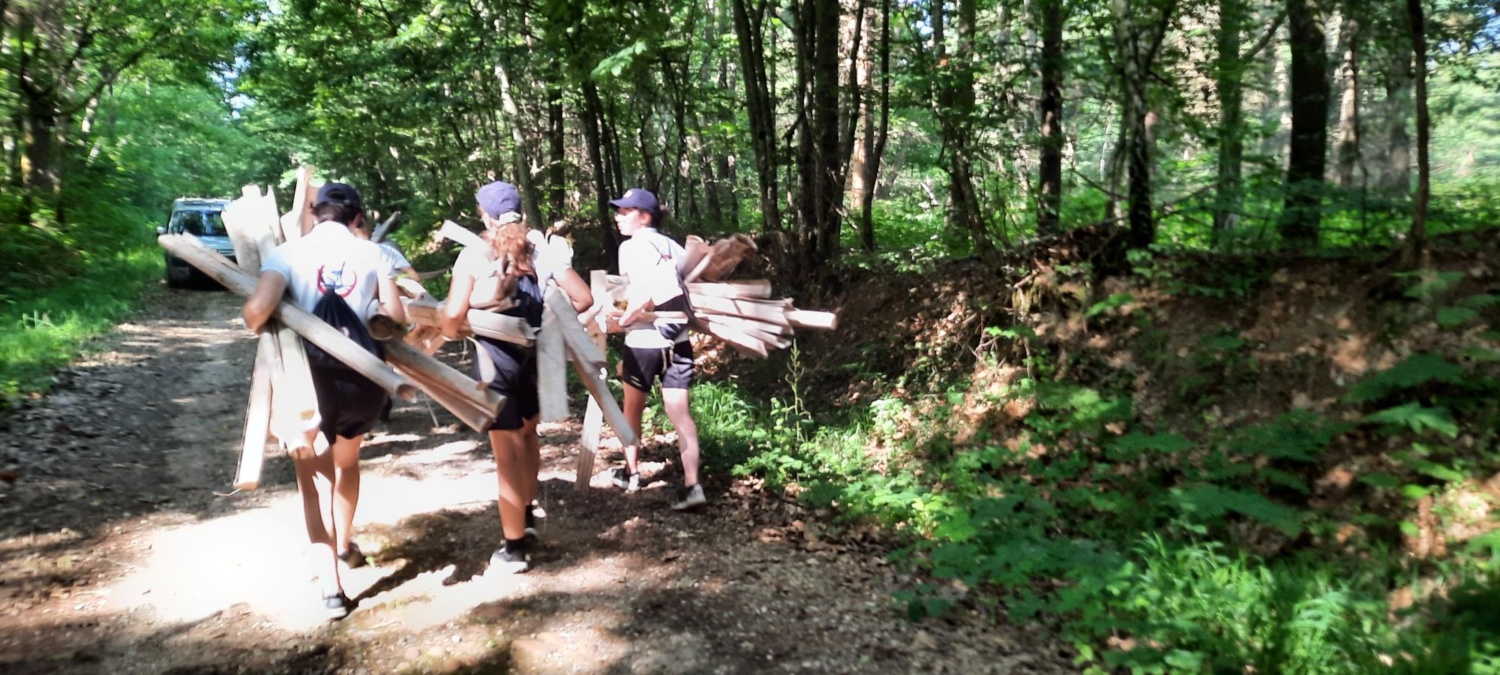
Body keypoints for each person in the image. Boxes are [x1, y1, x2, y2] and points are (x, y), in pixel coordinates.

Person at [242, 182, 406, 621]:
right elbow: (396, 320)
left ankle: (332, 588)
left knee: (314, 481)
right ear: (357, 217)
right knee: (346, 463)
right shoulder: (375, 254)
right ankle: (345, 544)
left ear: (314, 212)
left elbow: (256, 313)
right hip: (363, 380)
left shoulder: (287, 254)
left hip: (306, 384)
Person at [441, 181, 592, 573]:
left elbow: (452, 317)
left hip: (494, 363)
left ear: (484, 216)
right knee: (528, 435)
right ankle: (525, 515)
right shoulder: (540, 250)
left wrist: (456, 324)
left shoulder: (474, 254)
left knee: (506, 453)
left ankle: (513, 548)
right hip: (533, 358)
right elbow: (583, 299)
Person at [608, 188, 706, 511]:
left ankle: (631, 473)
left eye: (626, 212)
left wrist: (626, 317)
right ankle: (693, 486)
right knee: (681, 414)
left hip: (644, 342)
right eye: (619, 212)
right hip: (678, 341)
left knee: (632, 408)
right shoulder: (673, 246)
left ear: (645, 216)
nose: (619, 217)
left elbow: (641, 291)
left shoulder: (631, 247)